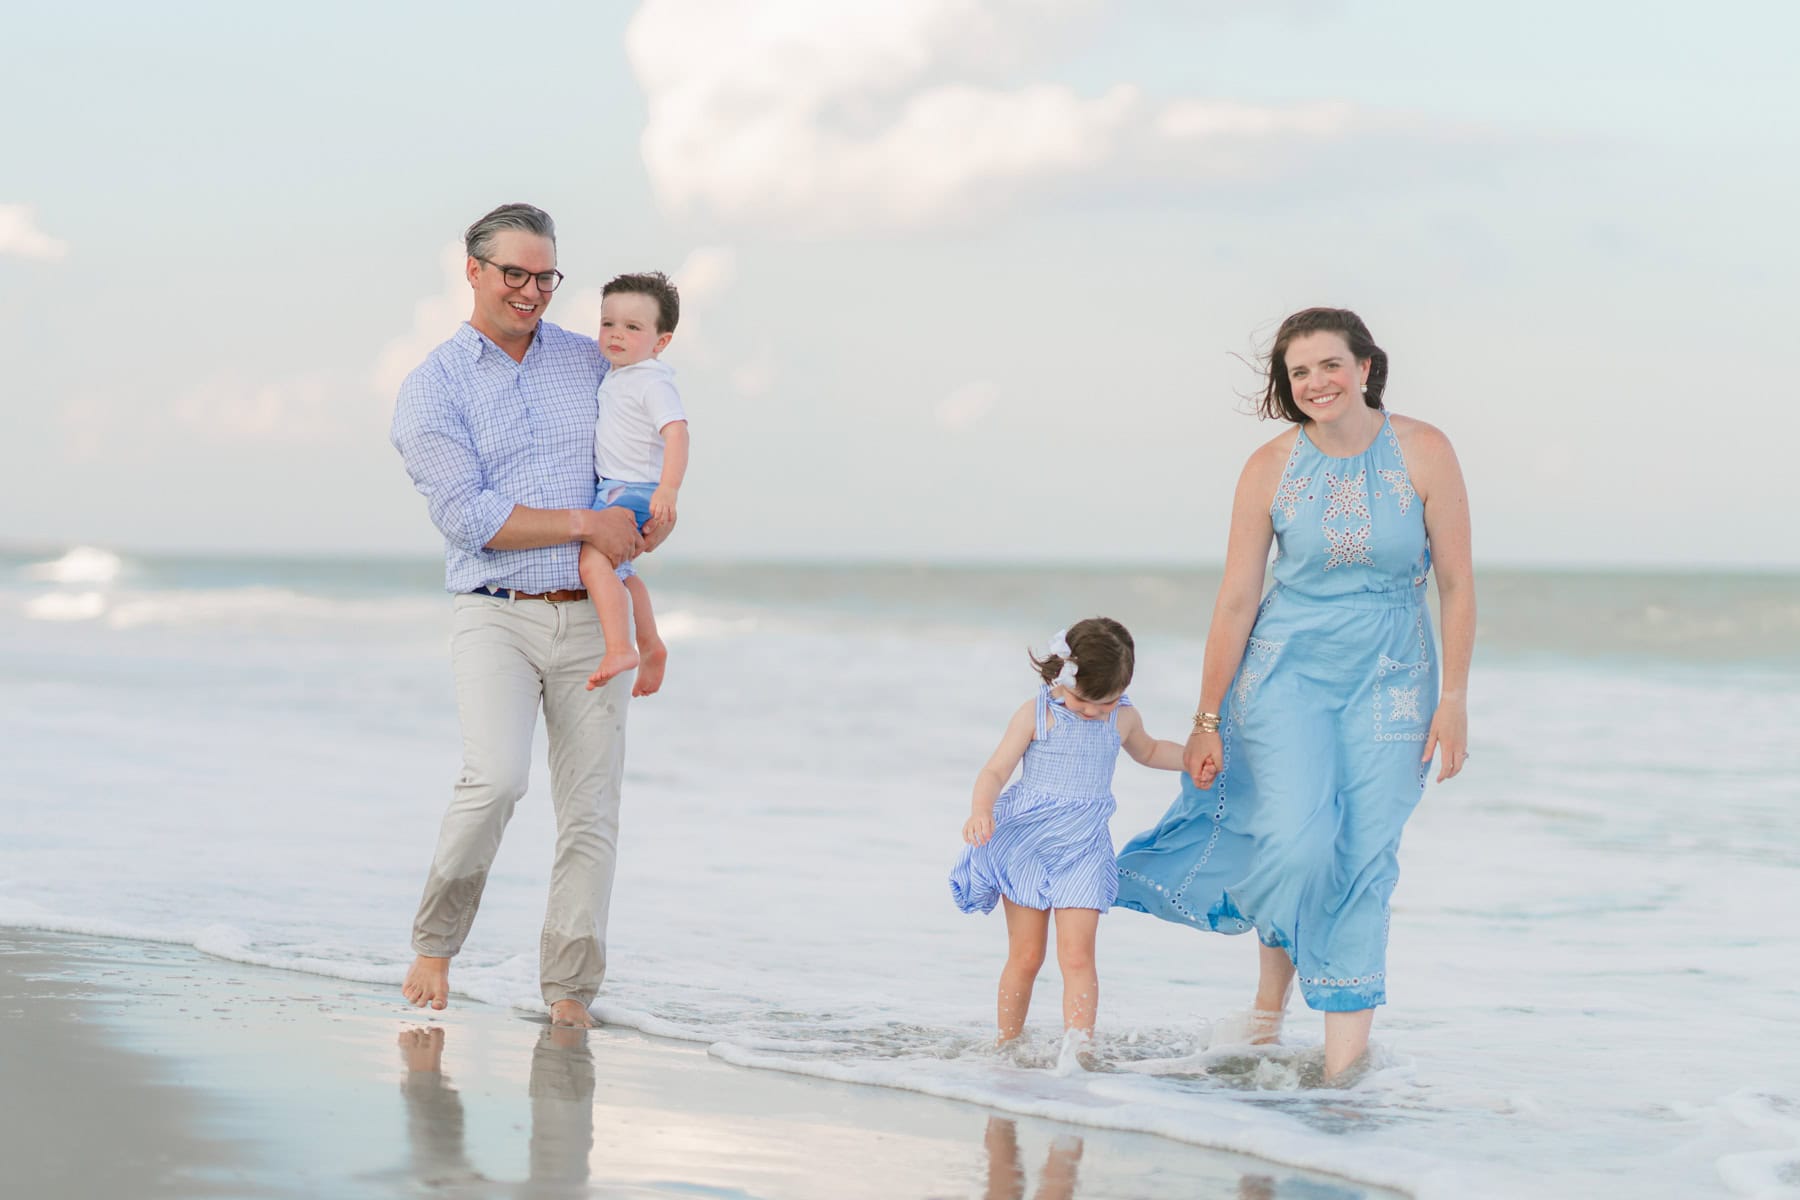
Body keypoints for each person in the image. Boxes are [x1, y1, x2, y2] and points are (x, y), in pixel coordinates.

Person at [1114, 307, 1473, 1081]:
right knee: (1298, 844)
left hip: (1393, 678)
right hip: (1286, 675)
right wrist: (1206, 719)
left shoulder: (1425, 451)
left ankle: (1342, 1080)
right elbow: (1238, 599)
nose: (1316, 383)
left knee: (1362, 856)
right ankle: (1270, 1001)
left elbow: (1455, 583)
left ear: (1365, 367)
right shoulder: (1268, 466)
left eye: (1330, 365)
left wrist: (1455, 698)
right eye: (1300, 372)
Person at [390, 202, 672, 1029]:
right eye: (514, 273)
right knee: (497, 780)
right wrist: (588, 524)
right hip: (495, 614)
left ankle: (570, 994)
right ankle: (436, 942)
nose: (531, 290)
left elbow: (638, 461)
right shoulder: (430, 388)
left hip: (593, 611)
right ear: (472, 270)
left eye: (545, 275)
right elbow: (467, 515)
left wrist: (651, 515)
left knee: (591, 811)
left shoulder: (593, 364)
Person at [951, 618, 1186, 1046]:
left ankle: (1078, 1052)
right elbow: (995, 770)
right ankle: (1006, 1045)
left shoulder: (1124, 717)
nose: (1094, 712)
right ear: (1062, 674)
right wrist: (980, 811)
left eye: (1106, 702)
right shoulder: (1036, 713)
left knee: (1078, 957)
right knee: (1026, 956)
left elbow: (1150, 751)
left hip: (1083, 849)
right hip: (1027, 843)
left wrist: (1193, 759)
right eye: (1083, 701)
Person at [577, 271, 690, 694]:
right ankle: (650, 642)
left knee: (592, 562)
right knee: (622, 573)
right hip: (618, 487)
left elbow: (676, 432)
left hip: (633, 489)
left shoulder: (651, 380)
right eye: (608, 324)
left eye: (632, 327)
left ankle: (621, 647)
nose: (615, 335)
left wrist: (669, 489)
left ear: (660, 342)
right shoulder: (619, 374)